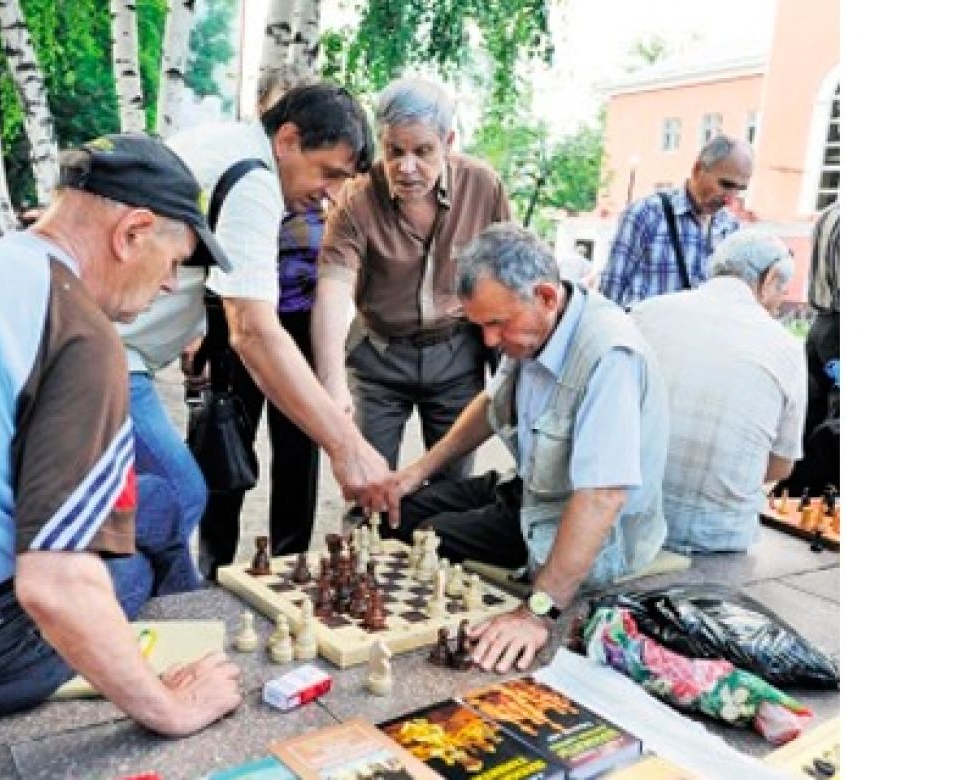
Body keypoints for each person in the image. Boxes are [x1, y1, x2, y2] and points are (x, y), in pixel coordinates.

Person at [0, 134, 242, 733]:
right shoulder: (78, 330)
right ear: (133, 232)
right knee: (159, 513)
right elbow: (54, 587)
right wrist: (173, 713)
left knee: (148, 501)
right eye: (175, 261)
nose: (169, 285)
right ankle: (180, 657)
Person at [114, 83, 389, 576]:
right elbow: (254, 331)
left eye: (341, 181)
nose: (329, 195)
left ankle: (162, 602)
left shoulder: (224, 141)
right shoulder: (254, 180)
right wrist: (346, 447)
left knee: (155, 500)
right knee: (179, 492)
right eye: (328, 173)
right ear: (286, 138)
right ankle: (174, 613)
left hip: (112, 350)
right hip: (111, 354)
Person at [384, 223, 669, 673]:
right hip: (532, 492)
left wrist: (537, 613)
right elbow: (490, 403)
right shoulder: (537, 326)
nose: (490, 342)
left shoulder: (610, 354)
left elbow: (602, 495)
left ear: (546, 296)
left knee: (428, 535)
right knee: (399, 511)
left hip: (584, 524)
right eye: (481, 326)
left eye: (497, 323)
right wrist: (416, 471)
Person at [312, 77, 512, 504]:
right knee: (368, 488)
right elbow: (333, 288)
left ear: (448, 141)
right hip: (380, 360)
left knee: (452, 491)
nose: (406, 168)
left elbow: (510, 271)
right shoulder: (356, 197)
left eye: (422, 152)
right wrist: (332, 385)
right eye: (393, 151)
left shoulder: (483, 186)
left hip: (456, 355)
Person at [194, 65, 327, 562]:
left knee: (299, 452)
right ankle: (216, 561)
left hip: (299, 326)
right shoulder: (247, 175)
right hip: (238, 325)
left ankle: (290, 560)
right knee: (228, 440)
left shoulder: (326, 188)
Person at [631, 230, 806, 552]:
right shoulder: (787, 348)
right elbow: (781, 466)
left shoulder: (645, 313)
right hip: (717, 538)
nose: (781, 301)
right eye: (782, 289)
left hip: (627, 524)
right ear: (768, 280)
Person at [599, 134, 754, 308]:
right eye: (725, 185)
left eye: (740, 189)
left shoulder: (731, 229)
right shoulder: (645, 214)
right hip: (643, 333)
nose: (730, 199)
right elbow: (609, 296)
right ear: (697, 170)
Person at [779, 200, 840, 495]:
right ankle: (821, 495)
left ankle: (798, 490)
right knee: (837, 417)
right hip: (840, 328)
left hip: (822, 325)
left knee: (812, 409)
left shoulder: (830, 214)